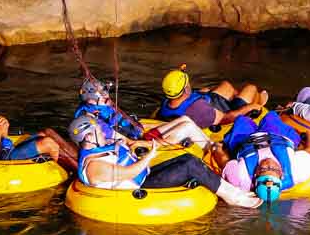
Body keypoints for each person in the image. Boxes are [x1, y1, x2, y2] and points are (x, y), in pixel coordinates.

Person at [70, 111, 259, 207]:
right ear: (88, 137)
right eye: (98, 131)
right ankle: (234, 196)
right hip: (142, 184)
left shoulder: (95, 149)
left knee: (187, 158)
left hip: (144, 175)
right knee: (190, 165)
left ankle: (227, 187)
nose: (102, 133)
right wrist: (150, 155)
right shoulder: (94, 167)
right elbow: (131, 172)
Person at [73, 78, 213, 150]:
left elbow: (126, 125)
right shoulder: (94, 121)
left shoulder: (101, 108)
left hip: (139, 136)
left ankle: (212, 146)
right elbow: (124, 142)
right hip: (137, 145)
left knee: (186, 119)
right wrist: (143, 143)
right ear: (91, 99)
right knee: (186, 128)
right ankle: (213, 151)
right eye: (104, 95)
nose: (108, 96)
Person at [219, 110, 310, 203]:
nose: (269, 163)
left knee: (241, 120)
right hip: (277, 135)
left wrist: (216, 148)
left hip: (245, 141)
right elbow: (309, 152)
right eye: (274, 169)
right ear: (282, 175)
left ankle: (249, 119)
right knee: (271, 116)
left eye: (263, 169)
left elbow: (223, 160)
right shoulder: (297, 171)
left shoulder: (240, 176)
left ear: (255, 175)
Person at [154, 66, 267, 129]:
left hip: (208, 101)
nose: (189, 84)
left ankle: (237, 96)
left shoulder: (167, 100)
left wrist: (200, 93)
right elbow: (225, 118)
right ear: (185, 89)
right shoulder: (198, 109)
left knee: (226, 85)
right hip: (221, 111)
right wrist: (248, 108)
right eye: (187, 83)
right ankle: (259, 101)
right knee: (251, 88)